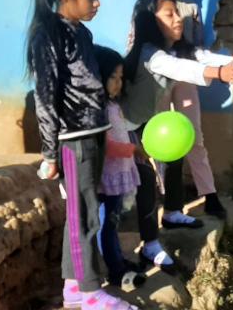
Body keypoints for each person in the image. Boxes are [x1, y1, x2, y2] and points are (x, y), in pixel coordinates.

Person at [26, 0, 137, 309]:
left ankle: (74, 287)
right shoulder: (49, 35)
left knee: (83, 208)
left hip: (94, 132)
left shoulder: (81, 33)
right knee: (83, 213)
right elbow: (46, 96)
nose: (98, 3)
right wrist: (49, 152)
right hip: (73, 139)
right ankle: (91, 292)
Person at [122, 0, 233, 270]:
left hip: (146, 123)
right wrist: (220, 75)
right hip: (127, 127)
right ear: (151, 22)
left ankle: (171, 213)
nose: (178, 18)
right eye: (169, 14)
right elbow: (179, 68)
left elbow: (207, 57)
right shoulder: (151, 54)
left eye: (177, 12)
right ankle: (148, 245)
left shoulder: (176, 49)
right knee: (143, 183)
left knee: (175, 154)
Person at [128, 0, 233, 219]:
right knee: (160, 140)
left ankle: (206, 194)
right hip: (155, 83)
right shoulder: (145, 10)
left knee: (193, 134)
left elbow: (194, 52)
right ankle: (166, 200)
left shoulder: (188, 7)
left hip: (187, 75)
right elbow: (158, 58)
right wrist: (220, 72)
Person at [91, 44, 147, 290]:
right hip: (108, 177)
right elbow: (108, 145)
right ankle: (116, 271)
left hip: (119, 173)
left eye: (120, 78)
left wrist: (135, 150)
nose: (118, 83)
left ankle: (118, 261)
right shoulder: (99, 110)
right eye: (112, 77)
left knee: (112, 222)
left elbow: (123, 134)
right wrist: (133, 151)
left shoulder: (113, 106)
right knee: (107, 224)